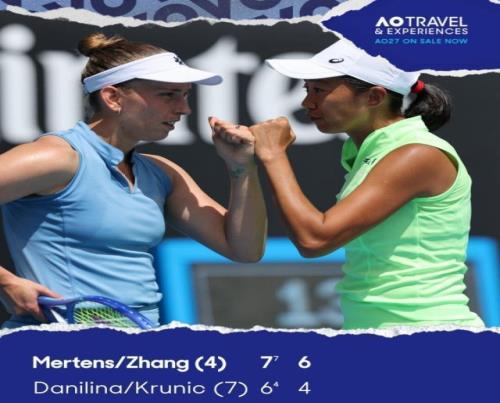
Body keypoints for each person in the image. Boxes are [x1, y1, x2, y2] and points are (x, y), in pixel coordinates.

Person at [0, 33, 266, 328]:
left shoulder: (162, 173)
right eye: (168, 94)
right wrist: (6, 282)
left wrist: (241, 167)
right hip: (58, 348)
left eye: (185, 95)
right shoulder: (55, 158)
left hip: (136, 344)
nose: (184, 108)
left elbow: (244, 250)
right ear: (113, 98)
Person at [243, 39, 483, 329]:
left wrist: (273, 154)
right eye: (308, 89)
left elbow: (314, 239)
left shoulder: (416, 153)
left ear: (374, 97)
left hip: (426, 335)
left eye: (320, 90)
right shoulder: (377, 152)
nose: (307, 103)